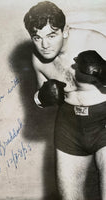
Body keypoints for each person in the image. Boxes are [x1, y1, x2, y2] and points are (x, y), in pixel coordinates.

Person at [24, 1, 106, 200]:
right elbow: (39, 98)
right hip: (69, 126)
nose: (44, 45)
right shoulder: (38, 59)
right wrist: (42, 97)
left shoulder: (93, 40)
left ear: (65, 30)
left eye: (51, 35)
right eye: (37, 37)